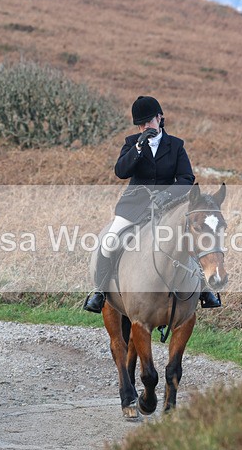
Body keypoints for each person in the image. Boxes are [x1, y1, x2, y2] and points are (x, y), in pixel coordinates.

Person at [83, 95, 221, 313]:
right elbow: (121, 172)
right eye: (141, 124)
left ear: (159, 118)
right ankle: (99, 292)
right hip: (134, 205)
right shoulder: (131, 143)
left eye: (149, 121)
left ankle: (204, 290)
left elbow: (186, 178)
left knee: (191, 240)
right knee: (109, 241)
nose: (145, 126)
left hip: (169, 206)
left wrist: (167, 195)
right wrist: (138, 148)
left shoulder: (175, 145)